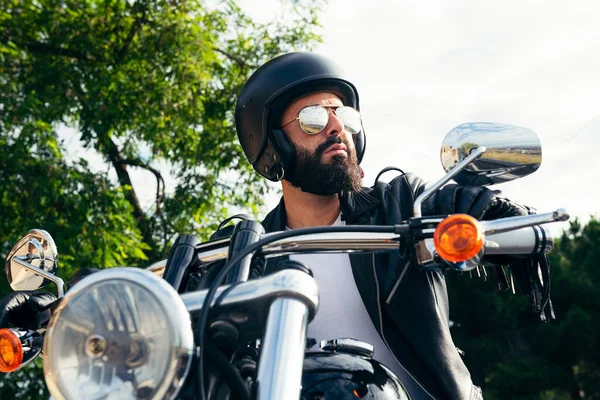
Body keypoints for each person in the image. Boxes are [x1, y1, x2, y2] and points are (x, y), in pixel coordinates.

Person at [1, 52, 549, 399]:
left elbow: (489, 215)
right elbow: (151, 297)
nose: (336, 127)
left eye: (344, 115)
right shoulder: (241, 256)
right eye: (314, 118)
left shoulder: (401, 206)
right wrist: (64, 305)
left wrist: (491, 213)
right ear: (275, 147)